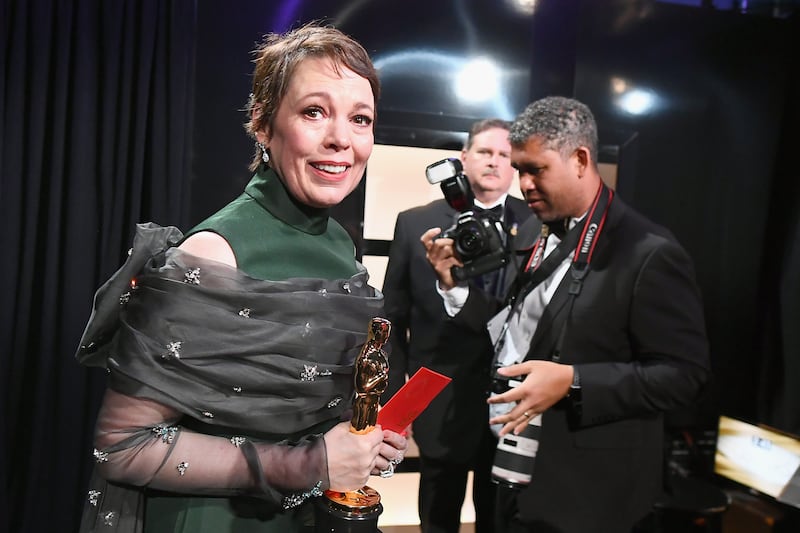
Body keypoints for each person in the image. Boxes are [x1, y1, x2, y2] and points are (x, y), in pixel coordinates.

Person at [75, 23, 407, 533]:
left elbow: (311, 410)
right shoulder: (214, 251)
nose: (341, 139)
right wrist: (312, 463)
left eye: (360, 119)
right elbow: (123, 447)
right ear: (262, 123)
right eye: (314, 112)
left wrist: (360, 441)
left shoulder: (340, 244)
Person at [421, 96, 710, 533]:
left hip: (582, 496)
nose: (524, 184)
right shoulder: (539, 232)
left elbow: (684, 375)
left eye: (536, 169)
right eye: (520, 169)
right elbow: (516, 330)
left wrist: (574, 381)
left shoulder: (649, 253)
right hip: (509, 470)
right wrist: (454, 284)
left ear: (580, 159)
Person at [382, 119, 532, 533]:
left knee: (498, 518)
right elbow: (393, 318)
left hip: (510, 401)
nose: (494, 162)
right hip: (438, 399)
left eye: (505, 155)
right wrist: (396, 405)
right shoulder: (415, 223)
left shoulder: (537, 224)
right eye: (485, 152)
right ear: (464, 158)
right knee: (436, 517)